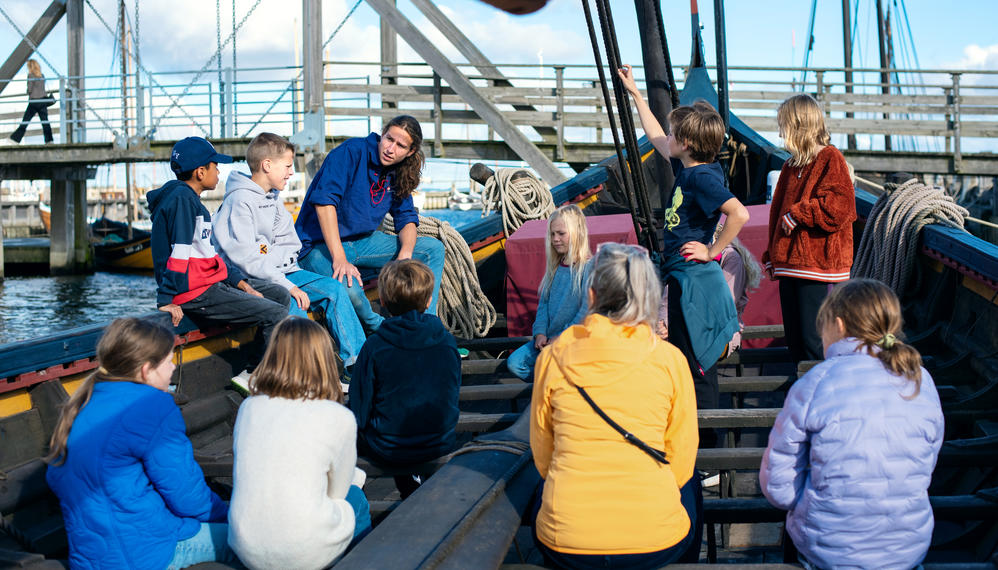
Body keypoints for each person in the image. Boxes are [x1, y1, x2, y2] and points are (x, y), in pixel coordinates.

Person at [530, 243, 701, 569]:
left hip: (568, 541)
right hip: (654, 540)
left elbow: (543, 454)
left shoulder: (553, 359)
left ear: (591, 296)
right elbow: (681, 457)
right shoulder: (669, 360)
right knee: (691, 483)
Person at [760, 278, 943, 569]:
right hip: (906, 549)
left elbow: (779, 488)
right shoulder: (920, 379)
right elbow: (925, 463)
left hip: (828, 550)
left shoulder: (815, 383)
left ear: (840, 325)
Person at [45, 318, 233, 569]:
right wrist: (228, 518)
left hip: (93, 559)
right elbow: (187, 496)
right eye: (168, 361)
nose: (173, 367)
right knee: (259, 541)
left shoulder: (83, 403)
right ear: (146, 370)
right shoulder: (151, 406)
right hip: (146, 554)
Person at [619, 64, 749, 414]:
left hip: (695, 280)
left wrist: (712, 251)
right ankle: (692, 442)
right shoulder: (688, 168)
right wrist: (635, 94)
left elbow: (739, 214)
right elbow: (656, 135)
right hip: (679, 277)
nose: (669, 138)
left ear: (688, 144)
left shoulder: (703, 179)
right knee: (680, 356)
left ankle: (711, 454)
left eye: (675, 134)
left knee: (697, 363)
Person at [228, 317, 371, 569]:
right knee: (355, 498)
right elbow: (337, 493)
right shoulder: (338, 416)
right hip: (303, 551)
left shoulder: (248, 407)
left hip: (246, 547)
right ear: (323, 360)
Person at [213, 132, 365, 368]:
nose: (291, 172)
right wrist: (288, 285)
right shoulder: (239, 201)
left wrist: (270, 257)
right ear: (266, 165)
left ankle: (357, 363)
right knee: (293, 307)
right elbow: (246, 259)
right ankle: (304, 373)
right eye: (287, 165)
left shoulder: (273, 199)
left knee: (334, 289)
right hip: (253, 280)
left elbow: (290, 243)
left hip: (283, 272)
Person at [294, 115, 446, 333]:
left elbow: (406, 218)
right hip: (318, 246)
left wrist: (405, 254)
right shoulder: (351, 152)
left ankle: (425, 328)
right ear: (382, 134)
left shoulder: (399, 170)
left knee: (433, 249)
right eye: (389, 139)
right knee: (351, 292)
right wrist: (339, 260)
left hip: (363, 242)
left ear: (410, 152)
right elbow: (324, 204)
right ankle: (382, 328)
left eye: (400, 145)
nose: (391, 149)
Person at [148, 136, 290, 364]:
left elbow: (209, 255)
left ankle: (255, 363)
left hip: (208, 284)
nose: (219, 173)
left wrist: (241, 283)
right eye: (215, 167)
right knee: (276, 313)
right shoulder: (182, 200)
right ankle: (261, 375)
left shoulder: (190, 201)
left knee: (279, 294)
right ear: (200, 172)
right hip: (195, 293)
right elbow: (179, 253)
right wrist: (165, 298)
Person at [348, 259, 461, 499]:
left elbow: (360, 407)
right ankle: (426, 491)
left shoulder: (374, 346)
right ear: (429, 301)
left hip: (389, 446)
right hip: (440, 439)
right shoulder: (446, 341)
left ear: (384, 303)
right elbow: (451, 391)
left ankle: (411, 493)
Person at [762, 93, 856, 363]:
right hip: (791, 264)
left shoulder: (830, 158)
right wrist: (773, 255)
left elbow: (841, 206)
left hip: (816, 267)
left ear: (799, 126)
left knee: (812, 340)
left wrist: (800, 213)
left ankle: (820, 394)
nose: (781, 133)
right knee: (795, 340)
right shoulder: (791, 166)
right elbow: (776, 213)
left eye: (784, 126)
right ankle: (800, 391)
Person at [507, 204, 592, 380]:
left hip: (573, 341)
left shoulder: (589, 268)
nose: (555, 239)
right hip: (547, 340)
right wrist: (540, 333)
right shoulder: (554, 268)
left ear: (578, 233)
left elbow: (586, 311)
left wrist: (561, 338)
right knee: (515, 363)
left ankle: (553, 384)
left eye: (561, 234)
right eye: (552, 234)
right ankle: (551, 383)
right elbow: (543, 306)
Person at [9, 59, 53, 144]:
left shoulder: (31, 75)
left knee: (25, 121)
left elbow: (29, 89)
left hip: (34, 101)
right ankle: (49, 140)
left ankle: (15, 139)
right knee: (45, 122)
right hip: (43, 101)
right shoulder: (42, 76)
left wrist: (27, 91)